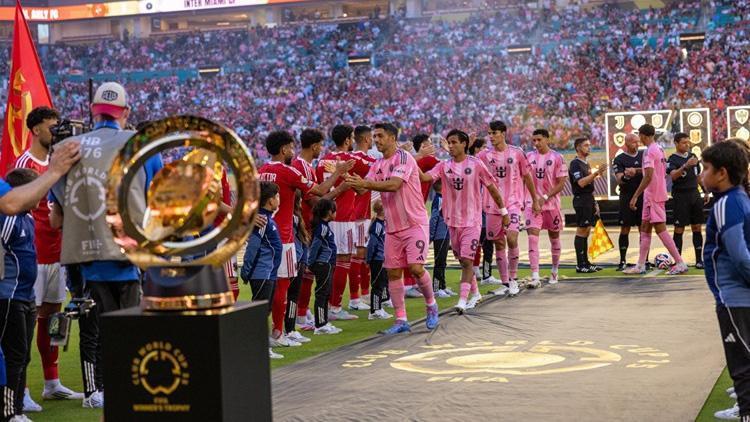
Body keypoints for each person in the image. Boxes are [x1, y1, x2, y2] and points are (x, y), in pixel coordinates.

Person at [49, 82, 161, 408]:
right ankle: (126, 388)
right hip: (129, 256)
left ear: (92, 111)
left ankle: (93, 391)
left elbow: (58, 209)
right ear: (125, 112)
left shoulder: (67, 148)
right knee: (129, 330)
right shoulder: (142, 146)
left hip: (84, 258)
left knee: (92, 330)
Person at [12, 107, 83, 409]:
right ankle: (23, 389)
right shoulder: (24, 164)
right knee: (26, 321)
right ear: (36, 130)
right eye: (51, 127)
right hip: (34, 255)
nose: (55, 132)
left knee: (53, 318)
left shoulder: (59, 163)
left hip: (58, 253)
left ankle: (52, 382)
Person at [258, 130, 350, 348]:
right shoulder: (288, 171)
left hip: (263, 236)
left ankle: (277, 332)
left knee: (266, 287)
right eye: (290, 147)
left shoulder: (260, 171)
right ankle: (278, 333)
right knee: (284, 287)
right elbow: (319, 191)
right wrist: (338, 174)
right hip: (284, 238)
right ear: (283, 149)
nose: (293, 150)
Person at [345, 123, 439, 334]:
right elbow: (363, 189)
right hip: (392, 226)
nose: (376, 140)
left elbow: (394, 184)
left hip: (414, 223)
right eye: (375, 136)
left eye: (380, 136)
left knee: (415, 268)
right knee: (393, 272)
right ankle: (401, 319)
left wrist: (365, 184)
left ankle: (431, 305)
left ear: (392, 138)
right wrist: (350, 180)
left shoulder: (404, 158)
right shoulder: (377, 164)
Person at [421, 129, 508, 313]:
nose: (450, 146)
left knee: (468, 260)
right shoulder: (444, 166)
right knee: (462, 261)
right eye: (449, 142)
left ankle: (462, 301)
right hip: (452, 222)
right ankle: (475, 294)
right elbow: (426, 177)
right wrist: (414, 159)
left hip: (472, 221)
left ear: (464, 144)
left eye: (454, 142)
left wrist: (503, 211)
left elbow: (492, 188)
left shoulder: (476, 164)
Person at [700, 139, 750, 421]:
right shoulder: (740, 198)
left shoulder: (727, 204)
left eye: (706, 168)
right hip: (737, 295)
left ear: (722, 173)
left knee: (741, 364)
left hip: (734, 297)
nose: (702, 174)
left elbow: (740, 256)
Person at [477, 120, 538, 295]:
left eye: (494, 133)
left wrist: (534, 199)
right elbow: (468, 165)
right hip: (491, 205)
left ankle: (513, 279)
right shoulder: (483, 156)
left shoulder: (517, 153)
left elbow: (527, 177)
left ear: (503, 134)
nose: (491, 137)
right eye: (489, 133)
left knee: (512, 238)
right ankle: (505, 283)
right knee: (498, 243)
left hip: (513, 203)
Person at [315, 125, 370, 319]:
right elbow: (373, 170)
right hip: (343, 218)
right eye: (352, 138)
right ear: (347, 140)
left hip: (325, 218)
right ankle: (335, 307)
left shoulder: (322, 160)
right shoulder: (350, 160)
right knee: (344, 261)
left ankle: (326, 307)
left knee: (329, 263)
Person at [0, 168, 42, 422]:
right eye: (35, 190)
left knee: (24, 355)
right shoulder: (9, 219)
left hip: (27, 296)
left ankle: (18, 408)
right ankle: (8, 412)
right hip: (10, 296)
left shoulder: (28, 218)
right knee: (13, 354)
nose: (40, 195)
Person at [624, 124, 688, 275]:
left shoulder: (649, 152)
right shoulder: (659, 148)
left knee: (660, 229)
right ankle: (641, 265)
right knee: (645, 228)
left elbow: (648, 176)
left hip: (653, 195)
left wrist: (635, 196)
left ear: (643, 135)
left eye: (639, 136)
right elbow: (656, 171)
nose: (639, 139)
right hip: (655, 194)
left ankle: (680, 262)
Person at [240, 181, 284, 358]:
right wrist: (246, 270)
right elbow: (253, 247)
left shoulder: (267, 218)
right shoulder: (262, 220)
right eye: (277, 197)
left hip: (269, 273)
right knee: (260, 312)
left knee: (265, 311)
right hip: (262, 273)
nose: (279, 200)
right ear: (270, 200)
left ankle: (261, 345)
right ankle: (259, 349)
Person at [525, 129, 568, 286]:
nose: (536, 143)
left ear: (547, 140)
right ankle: (535, 276)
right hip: (532, 204)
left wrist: (544, 197)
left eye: (539, 140)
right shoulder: (528, 157)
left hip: (552, 205)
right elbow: (523, 178)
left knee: (554, 238)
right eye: (534, 140)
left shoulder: (557, 157)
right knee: (532, 238)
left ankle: (554, 270)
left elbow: (561, 183)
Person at [667, 132, 706, 269]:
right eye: (684, 142)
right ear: (676, 143)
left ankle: (699, 260)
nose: (687, 145)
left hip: (694, 194)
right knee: (679, 228)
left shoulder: (693, 156)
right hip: (680, 196)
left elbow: (698, 176)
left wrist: (705, 191)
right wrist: (685, 166)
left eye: (688, 142)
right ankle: (678, 261)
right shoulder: (672, 159)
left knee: (697, 227)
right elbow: (673, 176)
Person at [568, 136, 605, 273]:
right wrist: (596, 173)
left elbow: (588, 184)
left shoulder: (586, 163)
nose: (589, 147)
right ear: (578, 148)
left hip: (588, 199)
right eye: (586, 145)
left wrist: (594, 202)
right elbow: (581, 183)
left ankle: (586, 262)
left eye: (589, 145)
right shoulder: (575, 164)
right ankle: (580, 264)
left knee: (587, 229)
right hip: (581, 199)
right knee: (582, 229)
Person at [350, 125, 377, 311]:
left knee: (363, 254)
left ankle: (365, 294)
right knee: (358, 255)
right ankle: (355, 298)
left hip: (360, 212)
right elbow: (384, 168)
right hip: (359, 213)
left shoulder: (352, 159)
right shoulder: (362, 159)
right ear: (367, 139)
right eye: (373, 137)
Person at [307, 199, 342, 335]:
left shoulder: (325, 226)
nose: (336, 213)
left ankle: (324, 322)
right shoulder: (322, 228)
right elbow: (315, 246)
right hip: (323, 264)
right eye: (335, 211)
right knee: (322, 294)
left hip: (328, 264)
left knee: (326, 293)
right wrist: (311, 263)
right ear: (329, 212)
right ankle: (320, 325)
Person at [612, 133, 646, 271]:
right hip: (626, 196)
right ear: (626, 143)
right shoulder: (619, 159)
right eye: (634, 142)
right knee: (625, 227)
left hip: (642, 196)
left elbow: (650, 171)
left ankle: (644, 260)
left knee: (643, 228)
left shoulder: (644, 155)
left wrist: (636, 171)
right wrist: (626, 175)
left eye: (638, 142)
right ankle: (622, 260)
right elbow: (619, 179)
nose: (637, 144)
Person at [284, 192, 312, 344]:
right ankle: (288, 329)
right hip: (295, 260)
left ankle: (289, 328)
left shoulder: (295, 217)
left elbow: (303, 242)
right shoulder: (292, 218)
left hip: (298, 260)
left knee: (291, 296)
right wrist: (301, 260)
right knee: (291, 296)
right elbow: (299, 242)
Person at [367, 199, 392, 320]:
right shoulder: (377, 225)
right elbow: (372, 244)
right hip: (377, 259)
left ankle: (379, 307)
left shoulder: (382, 223)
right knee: (377, 285)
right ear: (383, 211)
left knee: (382, 283)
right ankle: (374, 311)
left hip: (383, 258)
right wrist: (369, 259)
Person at [429, 179, 454, 298]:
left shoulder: (443, 199)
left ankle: (442, 286)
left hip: (445, 234)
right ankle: (436, 288)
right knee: (439, 262)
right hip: (440, 235)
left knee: (443, 261)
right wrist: (431, 235)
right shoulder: (438, 200)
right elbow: (434, 218)